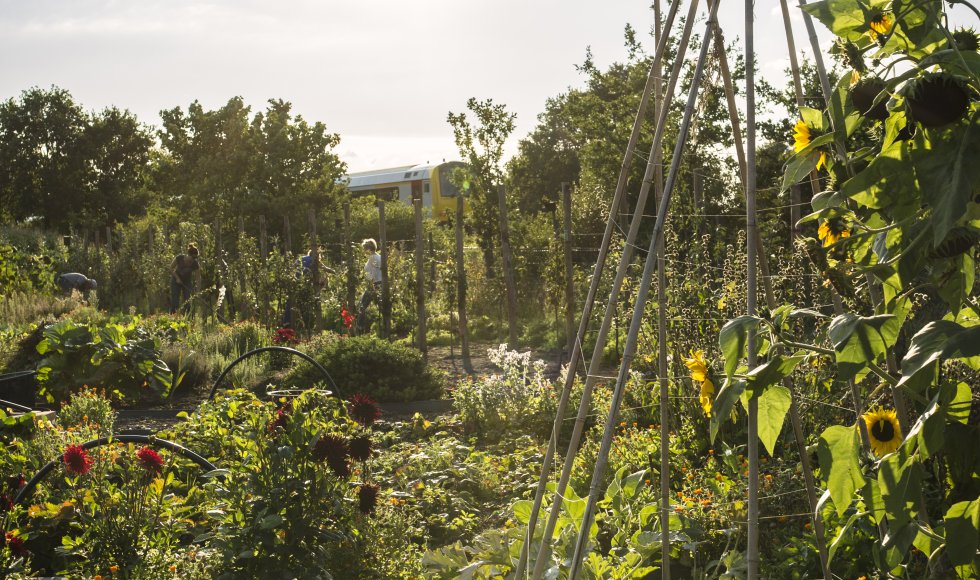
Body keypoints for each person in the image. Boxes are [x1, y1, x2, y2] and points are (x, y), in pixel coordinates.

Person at [354, 238, 382, 333]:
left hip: (374, 284)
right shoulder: (378, 256)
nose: (363, 251)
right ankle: (383, 327)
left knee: (362, 306)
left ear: (368, 249)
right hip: (380, 283)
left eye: (364, 249)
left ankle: (360, 328)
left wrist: (371, 286)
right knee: (381, 307)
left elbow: (373, 274)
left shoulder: (372, 258)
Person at [169, 244, 200, 314]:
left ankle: (188, 319)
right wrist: (177, 278)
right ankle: (173, 316)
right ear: (188, 255)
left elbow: (198, 277)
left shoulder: (195, 264)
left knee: (187, 301)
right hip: (176, 280)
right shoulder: (179, 258)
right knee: (175, 300)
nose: (193, 260)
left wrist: (197, 290)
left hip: (187, 281)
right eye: (192, 258)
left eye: (195, 258)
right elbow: (170, 268)